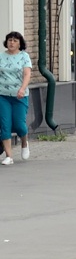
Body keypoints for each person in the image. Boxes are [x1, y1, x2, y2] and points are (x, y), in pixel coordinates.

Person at [0, 31, 33, 164]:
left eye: (14, 40)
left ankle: (24, 143)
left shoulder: (24, 56)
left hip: (19, 96)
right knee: (5, 125)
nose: (11, 43)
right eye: (9, 40)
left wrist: (22, 88)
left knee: (19, 125)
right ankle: (9, 156)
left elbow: (27, 74)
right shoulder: (1, 57)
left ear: (20, 43)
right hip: (3, 95)